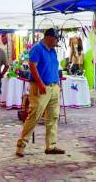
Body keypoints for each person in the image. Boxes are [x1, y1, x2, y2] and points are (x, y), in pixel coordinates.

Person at [16, 28, 65, 157]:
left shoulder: (53, 51)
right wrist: (40, 84)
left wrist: (57, 84)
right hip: (40, 87)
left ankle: (51, 145)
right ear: (49, 37)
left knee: (53, 117)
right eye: (56, 39)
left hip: (53, 87)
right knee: (34, 116)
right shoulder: (37, 48)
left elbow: (53, 68)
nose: (57, 41)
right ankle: (21, 145)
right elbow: (32, 66)